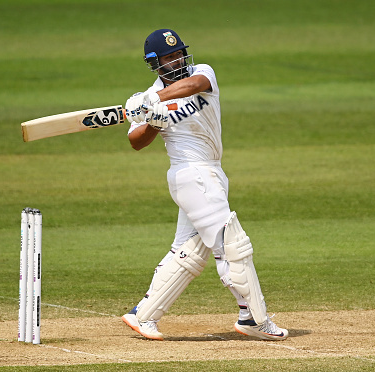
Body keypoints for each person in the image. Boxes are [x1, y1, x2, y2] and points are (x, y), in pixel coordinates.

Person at [121, 29, 287, 341]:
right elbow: (135, 141)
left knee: (189, 251)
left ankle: (142, 315)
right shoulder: (147, 98)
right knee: (232, 247)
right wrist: (153, 121)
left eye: (180, 53)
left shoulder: (200, 74)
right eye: (170, 57)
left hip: (212, 173)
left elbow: (196, 85)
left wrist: (154, 99)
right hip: (191, 175)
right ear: (155, 64)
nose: (179, 60)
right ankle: (253, 318)